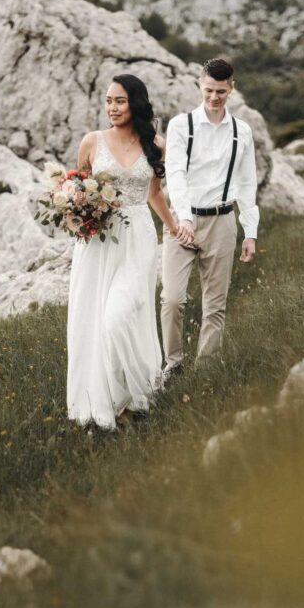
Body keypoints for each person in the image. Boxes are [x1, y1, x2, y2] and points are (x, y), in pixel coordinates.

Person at [67, 73, 178, 430]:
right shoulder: (91, 142)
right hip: (98, 242)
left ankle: (136, 393)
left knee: (120, 317)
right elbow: (74, 192)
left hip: (138, 240)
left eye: (120, 101)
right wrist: (74, 219)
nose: (112, 108)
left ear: (136, 103)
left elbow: (154, 194)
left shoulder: (156, 146)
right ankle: (109, 405)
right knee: (95, 322)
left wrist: (176, 229)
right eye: (108, 101)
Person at [161, 58, 259, 375]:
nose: (214, 97)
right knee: (173, 299)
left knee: (215, 306)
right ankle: (172, 365)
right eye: (208, 90)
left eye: (220, 91)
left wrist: (251, 232)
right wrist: (185, 219)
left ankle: (205, 372)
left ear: (231, 88)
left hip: (222, 222)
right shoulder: (180, 125)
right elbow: (174, 174)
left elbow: (247, 183)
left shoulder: (242, 132)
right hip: (181, 222)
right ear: (199, 86)